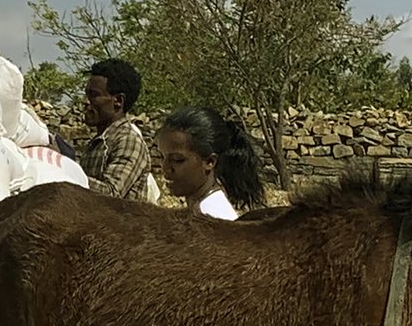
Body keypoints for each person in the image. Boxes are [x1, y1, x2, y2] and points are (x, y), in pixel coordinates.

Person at [53, 58, 157, 201]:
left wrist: (66, 169)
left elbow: (111, 194)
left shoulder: (128, 141)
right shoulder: (99, 142)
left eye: (94, 95)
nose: (85, 102)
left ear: (118, 101)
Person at [155, 106, 267, 219]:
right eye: (161, 157)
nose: (165, 168)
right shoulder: (199, 211)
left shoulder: (214, 217)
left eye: (177, 160)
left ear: (209, 162)